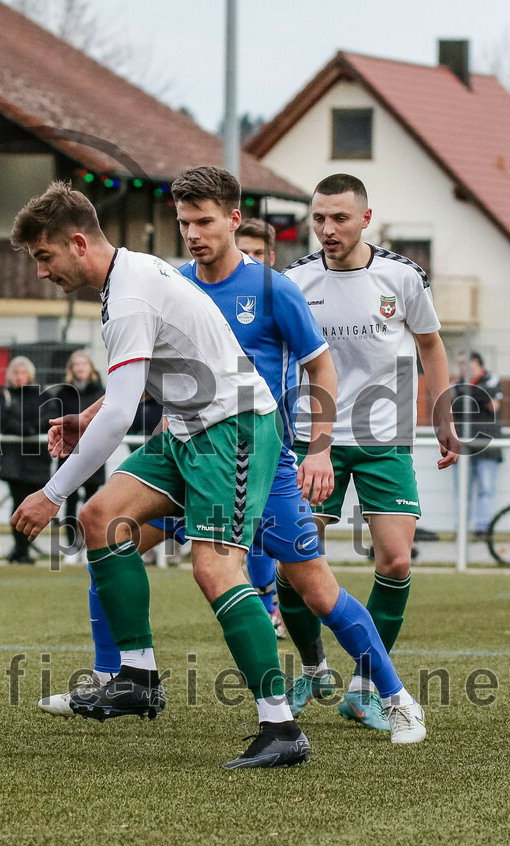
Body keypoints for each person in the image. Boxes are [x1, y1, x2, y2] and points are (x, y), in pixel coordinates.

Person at [36, 168, 428, 750]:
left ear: (234, 220)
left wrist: (318, 447)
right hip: (191, 447)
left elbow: (322, 368)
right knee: (108, 531)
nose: (194, 233)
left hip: (255, 455)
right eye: (185, 223)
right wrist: (88, 416)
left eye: (205, 221)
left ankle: (395, 698)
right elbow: (141, 377)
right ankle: (117, 676)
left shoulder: (274, 289)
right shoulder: (172, 281)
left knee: (315, 589)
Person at [9, 180, 309, 769]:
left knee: (214, 567)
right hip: (188, 429)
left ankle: (282, 728)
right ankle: (138, 676)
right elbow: (137, 381)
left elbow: (124, 413)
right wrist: (86, 414)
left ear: (76, 243)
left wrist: (50, 493)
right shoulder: (130, 274)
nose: (41, 272)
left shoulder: (129, 295)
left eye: (44, 257)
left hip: (236, 429)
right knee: (102, 519)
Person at [281, 173, 459, 730]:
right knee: (294, 564)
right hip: (316, 440)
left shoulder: (402, 276)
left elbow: (430, 343)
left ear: (365, 218)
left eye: (339, 218)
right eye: (318, 218)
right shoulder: (293, 280)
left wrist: (443, 412)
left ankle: (364, 688)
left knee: (397, 561)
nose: (327, 229)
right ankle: (312, 667)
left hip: (385, 438)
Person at [234, 218, 283, 637]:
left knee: (273, 532)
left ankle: (274, 603)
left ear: (270, 256)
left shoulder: (279, 294)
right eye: (241, 248)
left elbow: (316, 363)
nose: (246, 257)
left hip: (274, 434)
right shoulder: (203, 290)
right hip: (215, 436)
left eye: (255, 251)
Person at [0, 356, 53, 564]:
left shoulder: (42, 396)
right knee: (18, 505)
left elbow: (48, 419)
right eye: (16, 373)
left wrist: (30, 428)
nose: (19, 377)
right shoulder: (4, 396)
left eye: (23, 373)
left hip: (37, 461)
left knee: (34, 506)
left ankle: (22, 549)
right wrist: (29, 429)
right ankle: (21, 549)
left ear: (30, 374)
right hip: (13, 460)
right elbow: (4, 422)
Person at [53, 351, 106, 564]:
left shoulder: (102, 392)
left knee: (92, 502)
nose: (81, 368)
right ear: (71, 369)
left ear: (91, 367)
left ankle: (88, 546)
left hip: (94, 452)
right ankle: (72, 547)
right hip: (69, 452)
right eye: (77, 364)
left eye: (84, 363)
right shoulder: (63, 393)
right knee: (70, 500)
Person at [450, 351, 504, 539]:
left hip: (487, 447)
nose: (461, 367)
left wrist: (470, 393)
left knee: (486, 490)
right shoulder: (457, 383)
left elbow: (493, 405)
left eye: (464, 363)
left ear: (476, 363)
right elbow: (450, 402)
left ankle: (483, 530)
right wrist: (474, 394)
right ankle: (462, 530)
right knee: (461, 491)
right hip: (463, 447)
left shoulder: (491, 379)